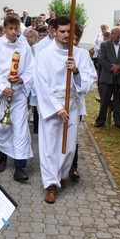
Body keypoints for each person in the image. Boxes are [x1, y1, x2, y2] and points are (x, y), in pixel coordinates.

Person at [35, 17, 95, 203]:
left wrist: (76, 71)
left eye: (69, 32)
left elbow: (89, 80)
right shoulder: (45, 54)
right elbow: (41, 83)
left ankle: (60, 175)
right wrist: (57, 107)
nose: (66, 35)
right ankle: (50, 184)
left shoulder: (81, 54)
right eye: (62, 31)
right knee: (49, 147)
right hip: (52, 106)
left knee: (68, 147)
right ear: (54, 32)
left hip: (72, 105)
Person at [0, 14, 33, 181]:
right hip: (2, 94)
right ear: (4, 28)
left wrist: (22, 79)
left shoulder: (24, 47)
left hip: (18, 94)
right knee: (3, 127)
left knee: (20, 129)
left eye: (16, 29)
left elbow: (30, 69)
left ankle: (20, 167)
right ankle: (3, 159)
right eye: (10, 29)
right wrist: (3, 88)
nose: (13, 32)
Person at [95, 26, 120, 129]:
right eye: (111, 33)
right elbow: (102, 60)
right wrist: (112, 68)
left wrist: (119, 67)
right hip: (107, 78)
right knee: (104, 101)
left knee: (118, 101)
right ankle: (101, 120)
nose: (112, 35)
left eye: (115, 34)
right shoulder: (104, 45)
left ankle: (118, 121)